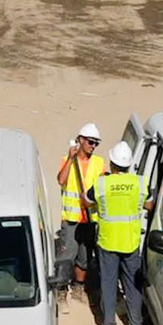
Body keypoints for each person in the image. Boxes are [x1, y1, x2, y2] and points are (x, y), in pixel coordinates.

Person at [88, 141, 153, 325]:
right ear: (128, 165)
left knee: (108, 284)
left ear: (112, 163)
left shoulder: (102, 183)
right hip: (131, 242)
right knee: (133, 285)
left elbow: (86, 200)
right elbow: (149, 205)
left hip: (108, 242)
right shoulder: (140, 183)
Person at [55, 123, 106, 310]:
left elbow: (102, 188)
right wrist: (70, 158)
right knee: (66, 255)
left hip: (89, 219)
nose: (93, 146)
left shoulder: (99, 163)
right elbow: (61, 180)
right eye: (91, 142)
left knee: (84, 258)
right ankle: (61, 291)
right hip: (71, 219)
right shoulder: (68, 160)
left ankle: (78, 288)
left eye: (96, 143)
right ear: (81, 140)